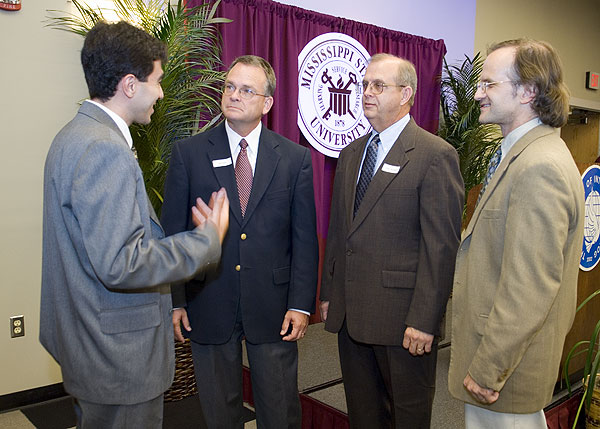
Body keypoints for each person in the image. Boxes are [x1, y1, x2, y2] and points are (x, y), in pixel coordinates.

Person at [40, 21, 229, 428]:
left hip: (90, 344)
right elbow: (122, 262)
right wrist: (206, 240)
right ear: (130, 85)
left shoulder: (71, 136)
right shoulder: (104, 150)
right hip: (117, 357)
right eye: (158, 81)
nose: (162, 93)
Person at [161, 54, 318, 428]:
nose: (234, 95)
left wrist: (301, 304)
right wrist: (175, 301)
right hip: (209, 300)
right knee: (219, 413)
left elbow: (304, 240)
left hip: (275, 306)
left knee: (279, 411)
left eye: (247, 90)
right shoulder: (189, 154)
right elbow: (173, 235)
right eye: (230, 86)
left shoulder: (295, 159)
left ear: (266, 103)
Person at [319, 53, 464, 428]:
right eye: (364, 85)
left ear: (406, 94)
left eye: (378, 86)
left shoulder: (435, 155)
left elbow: (441, 249)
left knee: (407, 417)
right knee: (364, 416)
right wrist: (330, 294)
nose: (367, 92)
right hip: (351, 316)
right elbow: (339, 233)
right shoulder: (352, 154)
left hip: (404, 325)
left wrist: (424, 320)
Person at [448, 39, 584, 429]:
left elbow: (529, 286)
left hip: (505, 372)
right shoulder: (522, 156)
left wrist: (490, 368)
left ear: (528, 92)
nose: (477, 93)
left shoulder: (539, 167)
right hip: (503, 364)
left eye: (489, 84)